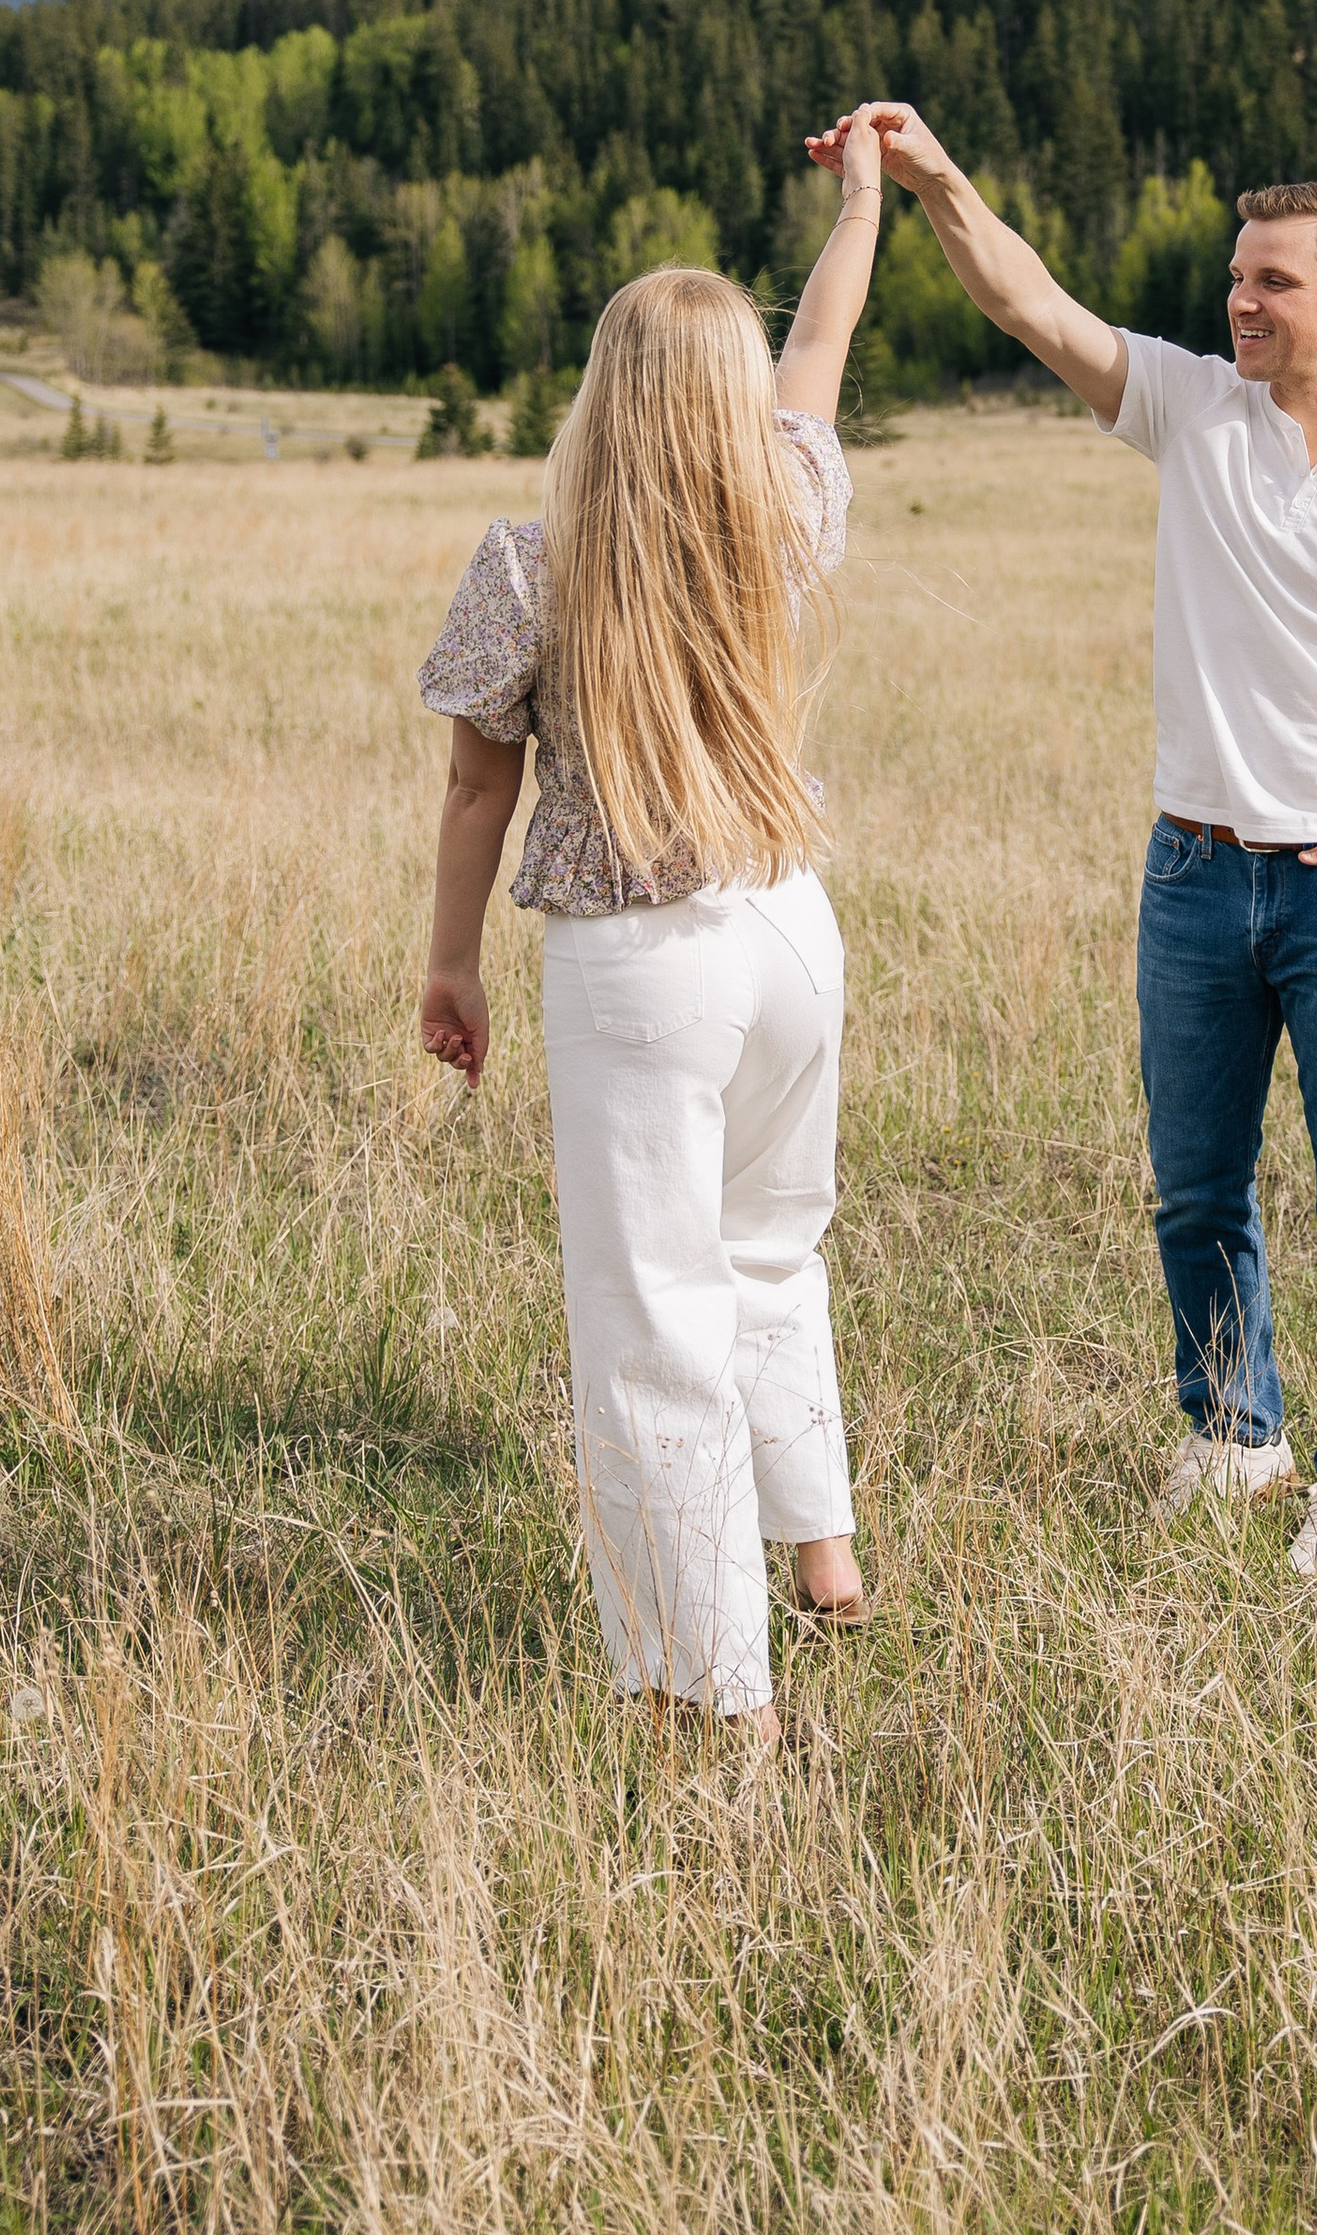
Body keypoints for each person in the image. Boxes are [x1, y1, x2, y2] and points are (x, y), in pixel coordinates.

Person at [807, 113, 1317, 1577]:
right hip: (1195, 874)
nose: (1239, 302)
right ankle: (1232, 1430)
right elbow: (1026, 300)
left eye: (1271, 280)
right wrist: (940, 178)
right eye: (1233, 277)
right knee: (1196, 1183)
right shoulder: (1195, 409)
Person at [414, 110, 890, 1744]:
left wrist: (453, 960)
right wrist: (863, 197)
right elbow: (824, 333)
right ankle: (824, 1563)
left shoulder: (529, 565)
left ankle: (716, 1694)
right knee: (772, 1255)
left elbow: (481, 796)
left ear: (603, 391)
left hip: (639, 962)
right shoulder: (781, 514)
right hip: (790, 932)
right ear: (728, 395)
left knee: (650, 1333)